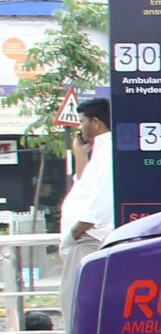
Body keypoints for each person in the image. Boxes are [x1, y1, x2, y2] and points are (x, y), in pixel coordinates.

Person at [58, 97, 113, 294]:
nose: (80, 128)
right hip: (84, 237)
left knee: (75, 297)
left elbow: (102, 200)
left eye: (82, 121)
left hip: (88, 238)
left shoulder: (108, 152)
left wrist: (75, 233)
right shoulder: (100, 150)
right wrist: (80, 154)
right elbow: (84, 186)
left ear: (95, 122)